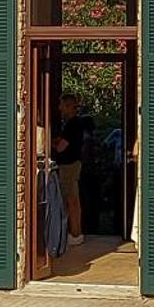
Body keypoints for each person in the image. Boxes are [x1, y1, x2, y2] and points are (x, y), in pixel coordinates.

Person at [53, 94, 88, 245]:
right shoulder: (73, 123)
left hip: (69, 165)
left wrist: (49, 143)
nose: (58, 108)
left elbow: (61, 147)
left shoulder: (72, 124)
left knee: (71, 199)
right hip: (72, 164)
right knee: (71, 198)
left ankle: (75, 234)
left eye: (61, 105)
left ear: (68, 106)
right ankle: (75, 233)